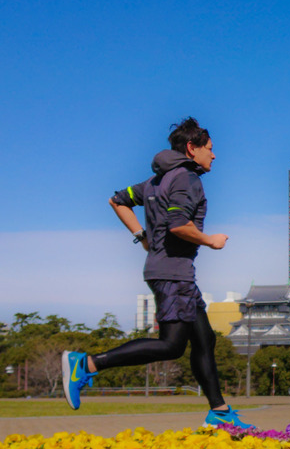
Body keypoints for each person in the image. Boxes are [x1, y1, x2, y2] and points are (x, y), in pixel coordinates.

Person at [61, 117, 252, 428]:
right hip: (173, 274)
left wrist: (141, 237)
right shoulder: (187, 179)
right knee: (172, 346)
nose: (214, 155)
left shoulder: (154, 181)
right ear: (192, 148)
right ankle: (87, 364)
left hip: (172, 272)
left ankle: (218, 411)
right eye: (210, 149)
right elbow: (179, 225)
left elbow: (117, 200)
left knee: (204, 340)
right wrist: (210, 241)